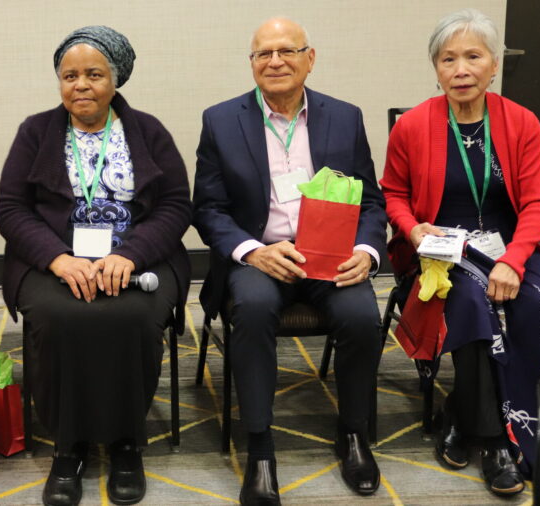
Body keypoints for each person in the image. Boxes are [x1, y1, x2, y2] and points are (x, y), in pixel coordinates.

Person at [192, 17, 388, 504]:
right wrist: (253, 251)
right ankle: (260, 448)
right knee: (254, 311)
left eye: (286, 51)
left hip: (333, 258)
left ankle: (353, 432)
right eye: (262, 54)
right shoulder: (221, 119)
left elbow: (370, 202)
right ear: (252, 64)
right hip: (259, 260)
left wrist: (366, 251)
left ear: (310, 58)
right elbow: (208, 209)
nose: (275, 61)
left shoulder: (345, 117)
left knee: (364, 316)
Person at [0, 25, 191, 506]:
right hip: (53, 262)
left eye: (93, 74)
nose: (80, 85)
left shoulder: (148, 130)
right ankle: (69, 446)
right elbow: (10, 210)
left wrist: (130, 254)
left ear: (116, 79)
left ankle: (126, 443)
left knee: (134, 317)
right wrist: (58, 259)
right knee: (61, 317)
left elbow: (176, 206)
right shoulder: (35, 131)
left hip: (135, 255)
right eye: (69, 75)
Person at [381, 9, 540, 497]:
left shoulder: (521, 123)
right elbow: (391, 192)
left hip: (508, 246)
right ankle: (495, 441)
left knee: (533, 304)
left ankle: (463, 413)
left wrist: (513, 259)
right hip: (440, 249)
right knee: (468, 302)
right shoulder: (413, 126)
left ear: (493, 65)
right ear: (436, 69)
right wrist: (412, 228)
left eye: (473, 57)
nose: (461, 69)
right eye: (448, 59)